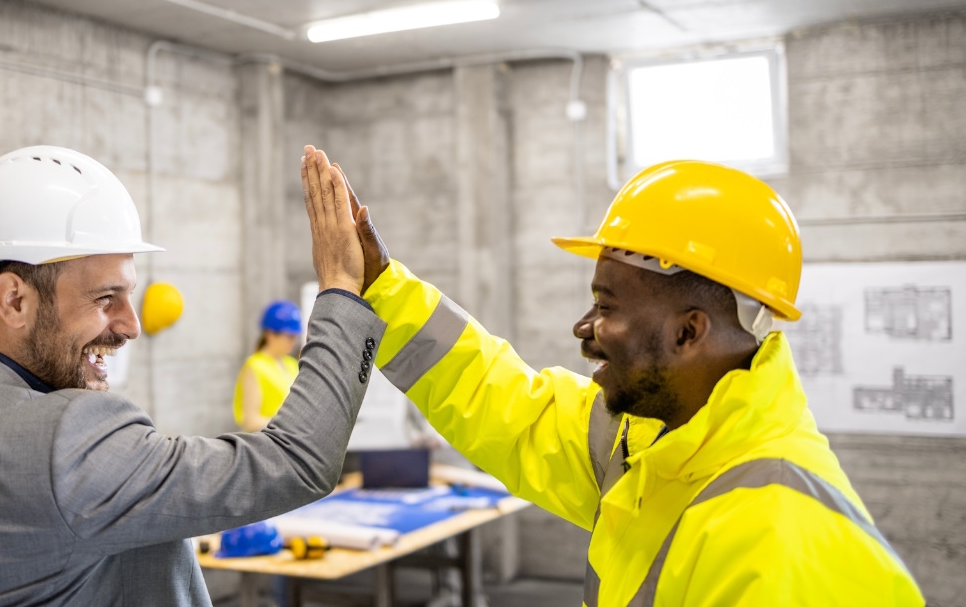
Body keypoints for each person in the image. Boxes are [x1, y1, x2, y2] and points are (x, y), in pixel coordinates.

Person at [307, 149, 924, 606]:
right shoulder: (650, 440)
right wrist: (381, 287)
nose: (583, 328)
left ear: (689, 332)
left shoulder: (784, 541)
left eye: (606, 307)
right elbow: (503, 404)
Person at [0, 145, 380, 606]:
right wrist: (341, 289)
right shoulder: (69, 439)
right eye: (105, 298)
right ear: (14, 299)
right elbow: (299, 462)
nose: (131, 325)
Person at [234, 301, 302, 432]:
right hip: (265, 444)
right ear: (270, 334)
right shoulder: (255, 366)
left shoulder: (292, 364)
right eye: (289, 336)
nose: (293, 341)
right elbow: (251, 421)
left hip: (287, 442)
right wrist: (289, 425)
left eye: (295, 336)